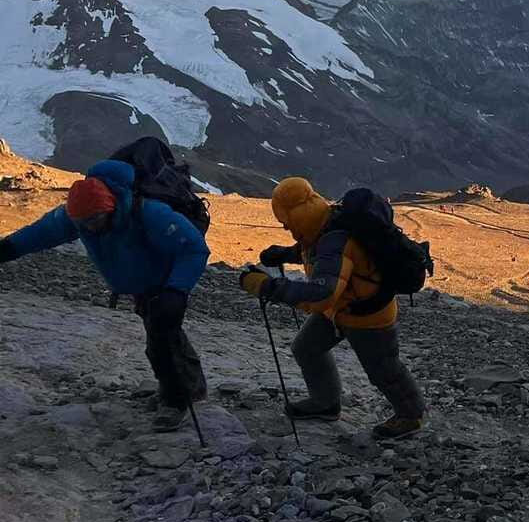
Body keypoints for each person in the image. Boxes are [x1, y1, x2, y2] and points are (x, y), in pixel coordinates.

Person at [0, 157, 209, 432]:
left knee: (161, 339)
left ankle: (176, 400)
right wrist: (8, 249)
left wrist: (176, 291)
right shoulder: (82, 214)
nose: (89, 227)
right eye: (82, 223)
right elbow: (42, 233)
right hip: (144, 284)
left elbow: (194, 248)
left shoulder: (150, 213)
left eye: (94, 221)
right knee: (163, 334)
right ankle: (189, 388)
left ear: (111, 207)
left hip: (166, 282)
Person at [242, 179, 427, 440]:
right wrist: (285, 254)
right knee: (306, 348)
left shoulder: (334, 238)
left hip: (367, 315)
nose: (285, 227)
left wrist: (266, 286)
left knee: (384, 369)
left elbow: (322, 294)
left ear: (296, 216)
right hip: (341, 309)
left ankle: (411, 416)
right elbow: (321, 255)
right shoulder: (323, 222)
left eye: (286, 221)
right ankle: (325, 403)